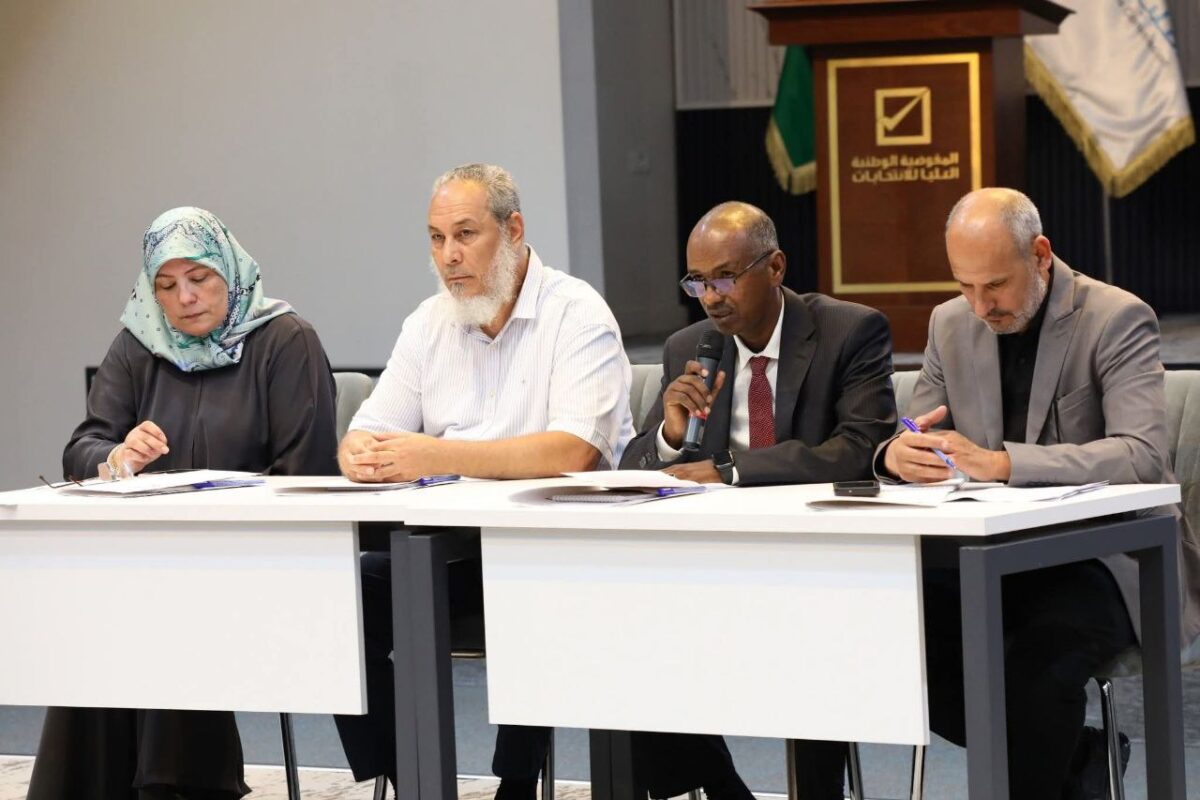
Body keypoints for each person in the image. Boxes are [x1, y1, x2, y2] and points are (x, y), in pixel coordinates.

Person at [797, 187, 1200, 799]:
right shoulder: (950, 323)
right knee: (874, 635)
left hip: (1109, 557)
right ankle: (1075, 762)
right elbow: (914, 430)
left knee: (1035, 667)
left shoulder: (1116, 317)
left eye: (995, 286)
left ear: (1040, 254)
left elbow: (1142, 456)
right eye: (964, 285)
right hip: (990, 556)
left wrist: (1005, 463)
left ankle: (1061, 765)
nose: (981, 305)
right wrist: (896, 454)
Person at [332, 163, 634, 800]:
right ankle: (409, 776)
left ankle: (515, 785)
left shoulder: (576, 314)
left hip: (567, 554)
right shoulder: (428, 322)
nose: (449, 256)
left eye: (465, 234)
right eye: (436, 238)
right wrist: (358, 452)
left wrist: (436, 455)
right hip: (447, 554)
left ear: (513, 230)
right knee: (341, 596)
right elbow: (370, 429)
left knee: (527, 577)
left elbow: (575, 450)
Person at [27, 206, 339, 800]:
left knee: (163, 603)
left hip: (263, 563)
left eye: (199, 278)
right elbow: (81, 449)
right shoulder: (137, 345)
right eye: (166, 286)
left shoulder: (284, 341)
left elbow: (309, 475)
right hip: (154, 561)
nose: (185, 298)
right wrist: (117, 456)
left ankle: (175, 788)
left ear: (230, 271)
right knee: (98, 615)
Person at [619, 201, 897, 800]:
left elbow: (860, 448)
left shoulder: (850, 331)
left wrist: (731, 469)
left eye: (725, 277)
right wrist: (670, 435)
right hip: (711, 564)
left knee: (810, 635)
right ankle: (723, 788)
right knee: (629, 631)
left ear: (775, 268)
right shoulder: (690, 346)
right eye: (697, 282)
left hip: (820, 564)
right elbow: (634, 466)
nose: (710, 297)